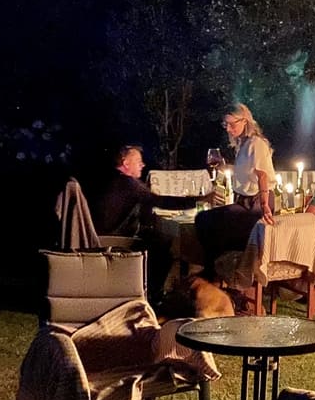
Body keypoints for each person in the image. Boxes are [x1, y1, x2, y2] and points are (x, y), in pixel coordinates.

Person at [93, 144, 210, 296]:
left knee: (159, 237)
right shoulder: (129, 184)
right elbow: (160, 201)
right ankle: (153, 293)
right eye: (138, 161)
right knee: (165, 245)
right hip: (115, 241)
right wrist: (199, 200)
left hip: (102, 237)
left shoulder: (110, 179)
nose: (143, 165)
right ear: (126, 163)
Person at [195, 104, 276, 276]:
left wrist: (264, 205)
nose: (229, 129)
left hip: (257, 202)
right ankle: (216, 270)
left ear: (245, 121)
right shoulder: (243, 144)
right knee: (205, 221)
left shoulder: (257, 143)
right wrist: (225, 166)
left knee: (208, 222)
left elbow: (262, 176)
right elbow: (246, 171)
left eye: (232, 124)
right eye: (226, 125)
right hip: (244, 201)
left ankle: (218, 273)